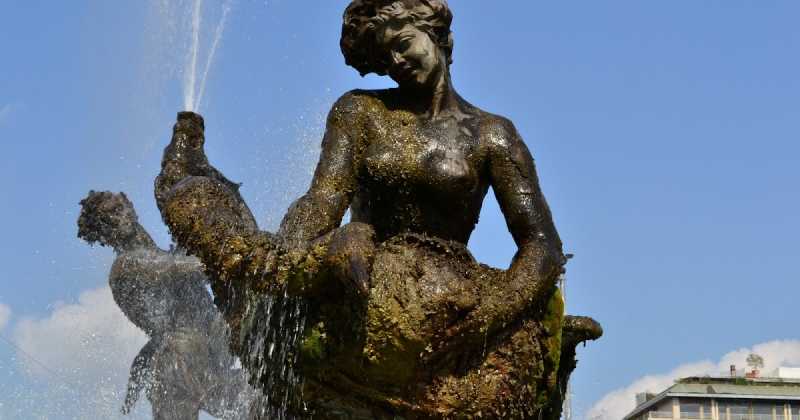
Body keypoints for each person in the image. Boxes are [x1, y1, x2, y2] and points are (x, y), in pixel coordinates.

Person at [154, 0, 601, 418]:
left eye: (403, 44)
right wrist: (322, 246)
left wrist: (493, 312)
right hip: (363, 297)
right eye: (386, 56)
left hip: (447, 307)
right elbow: (322, 201)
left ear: (436, 34)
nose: (396, 62)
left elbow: (542, 244)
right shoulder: (359, 112)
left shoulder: (492, 135)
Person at [77, 191, 260, 420]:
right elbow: (184, 268)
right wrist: (245, 255)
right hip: (179, 360)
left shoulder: (164, 254)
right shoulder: (127, 266)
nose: (115, 219)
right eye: (105, 220)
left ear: (130, 206)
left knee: (262, 401)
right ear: (102, 234)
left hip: (212, 349)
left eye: (116, 209)